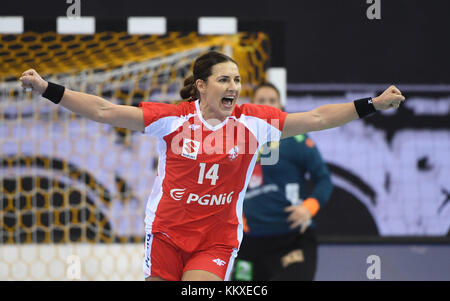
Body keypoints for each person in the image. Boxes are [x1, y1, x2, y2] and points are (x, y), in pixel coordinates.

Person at [19, 51, 405, 281]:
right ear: (201, 86)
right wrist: (47, 89)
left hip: (216, 238)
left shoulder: (254, 122)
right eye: (224, 79)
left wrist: (371, 104)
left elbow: (319, 118)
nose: (234, 87)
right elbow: (104, 110)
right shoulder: (172, 120)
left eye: (237, 79)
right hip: (167, 232)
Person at [232, 82, 332, 281]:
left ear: (281, 105)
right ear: (252, 106)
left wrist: (308, 208)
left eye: (272, 100)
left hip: (292, 239)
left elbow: (324, 179)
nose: (267, 105)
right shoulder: (238, 141)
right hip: (250, 242)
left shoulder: (297, 139)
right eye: (261, 101)